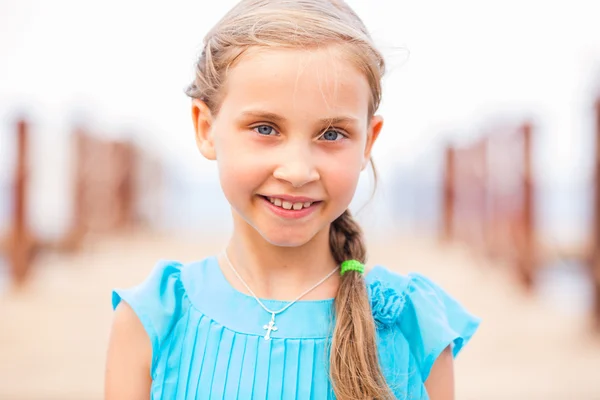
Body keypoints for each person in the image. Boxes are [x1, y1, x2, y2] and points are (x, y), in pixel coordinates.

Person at [104, 1, 481, 399]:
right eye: (265, 128)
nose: (298, 171)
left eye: (332, 134)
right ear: (206, 128)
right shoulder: (152, 321)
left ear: (369, 141)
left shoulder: (410, 324)